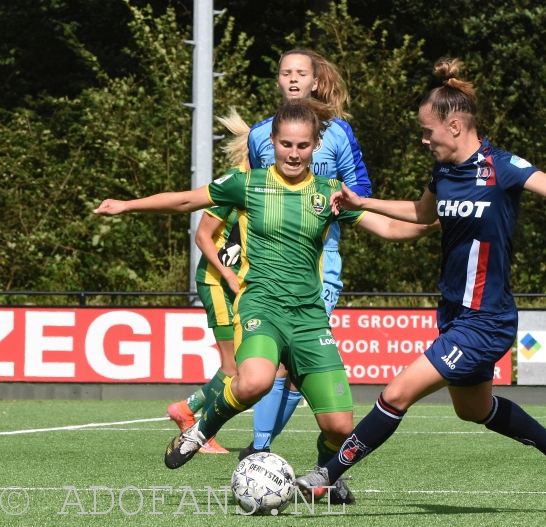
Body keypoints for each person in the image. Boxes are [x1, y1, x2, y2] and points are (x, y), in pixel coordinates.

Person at [296, 58, 546, 507]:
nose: (424, 140)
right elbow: (422, 215)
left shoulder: (502, 167)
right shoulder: (443, 173)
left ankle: (326, 475)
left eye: (428, 131)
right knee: (473, 409)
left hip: (488, 319)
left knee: (396, 393)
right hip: (456, 314)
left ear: (455, 125)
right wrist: (363, 201)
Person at [95, 99, 436, 504]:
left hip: (309, 318)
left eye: (303, 146)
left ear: (315, 146)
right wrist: (127, 206)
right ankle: (201, 430)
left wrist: (434, 225)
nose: (294, 153)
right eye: (286, 144)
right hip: (262, 306)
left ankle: (325, 474)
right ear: (271, 142)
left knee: (341, 428)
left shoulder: (330, 193)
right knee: (255, 380)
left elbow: (388, 228)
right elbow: (187, 201)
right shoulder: (247, 182)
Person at [237, 49, 374, 462]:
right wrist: (230, 239)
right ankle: (259, 452)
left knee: (295, 372)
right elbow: (250, 194)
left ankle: (311, 465)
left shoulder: (339, 133)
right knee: (274, 364)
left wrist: (347, 204)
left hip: (319, 264)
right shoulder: (261, 134)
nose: (293, 79)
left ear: (315, 81)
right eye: (285, 72)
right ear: (277, 81)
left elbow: (360, 193)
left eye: (301, 73)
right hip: (267, 265)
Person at [164, 108, 250, 454]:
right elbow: (203, 237)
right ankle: (195, 426)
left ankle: (187, 410)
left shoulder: (269, 183)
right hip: (216, 281)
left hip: (235, 284)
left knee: (243, 366)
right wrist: (227, 273)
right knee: (233, 367)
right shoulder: (237, 181)